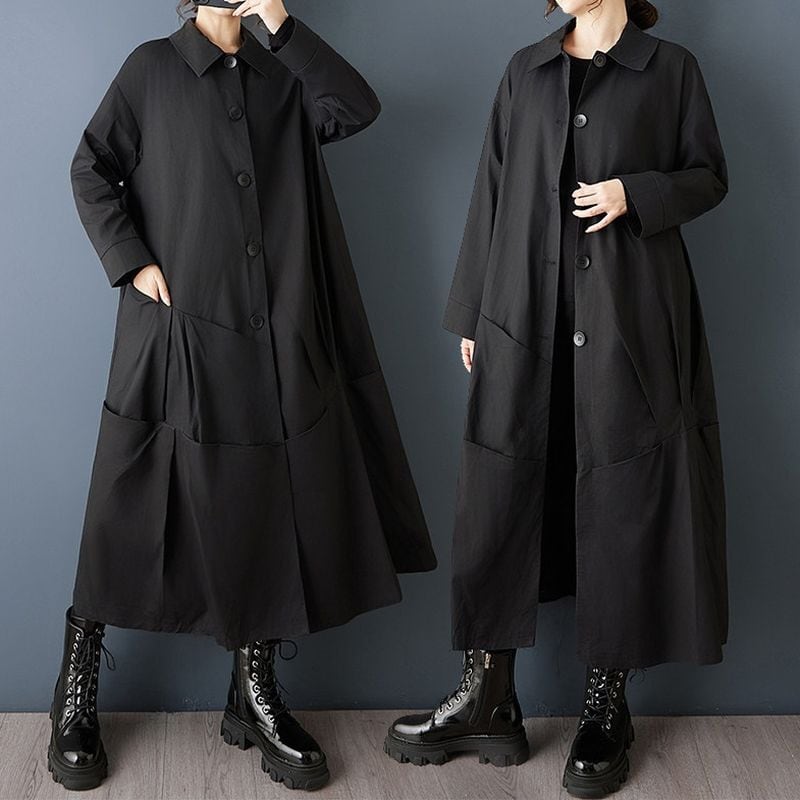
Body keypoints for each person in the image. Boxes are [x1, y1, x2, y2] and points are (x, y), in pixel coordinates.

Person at [51, 0, 437, 792]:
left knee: (265, 501)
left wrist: (282, 24)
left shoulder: (283, 73)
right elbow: (90, 165)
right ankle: (76, 688)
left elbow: (354, 107)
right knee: (129, 504)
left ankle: (252, 692)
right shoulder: (152, 69)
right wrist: (132, 261)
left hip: (274, 337)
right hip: (177, 330)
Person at [384, 0, 729, 797]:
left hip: (630, 327)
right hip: (522, 317)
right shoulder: (526, 71)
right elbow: (492, 189)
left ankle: (607, 707)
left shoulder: (670, 71)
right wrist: (474, 311)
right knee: (500, 494)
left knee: (624, 499)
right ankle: (488, 697)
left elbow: (710, 175)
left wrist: (634, 193)